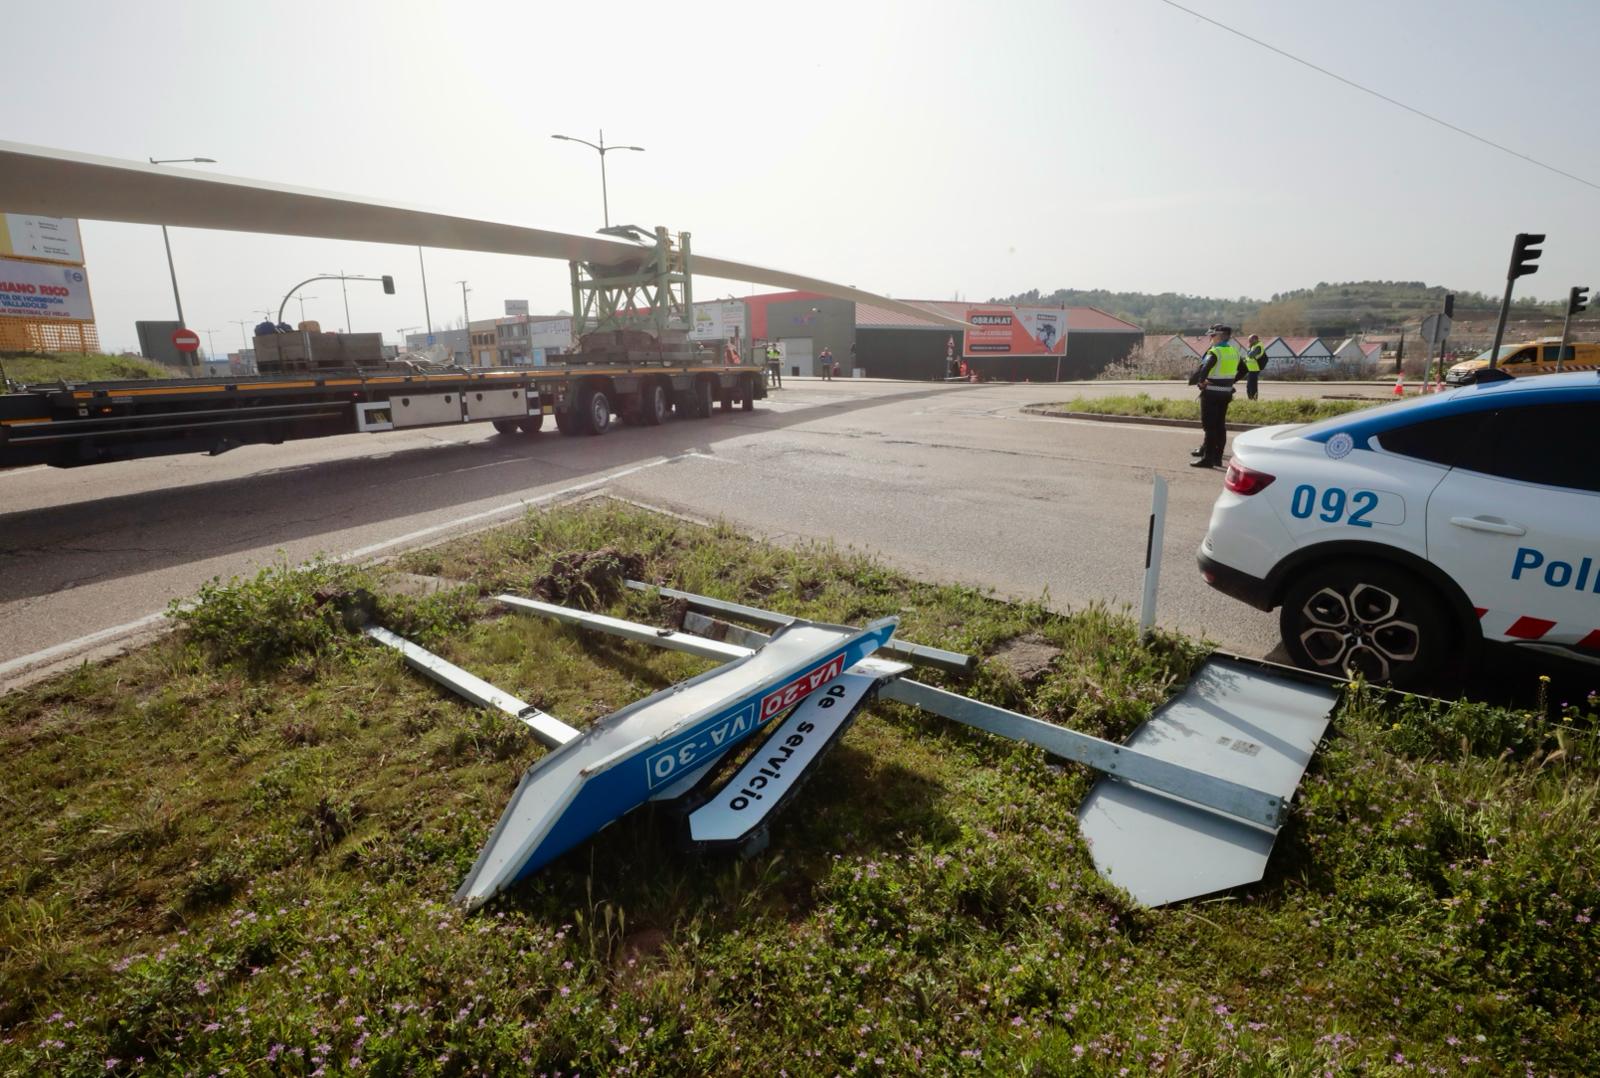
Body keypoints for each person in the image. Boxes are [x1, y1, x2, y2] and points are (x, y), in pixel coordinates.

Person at [1188, 324, 1241, 467]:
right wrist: (1230, 382)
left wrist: (1200, 382)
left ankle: (1208, 459)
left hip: (1211, 393)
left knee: (1209, 427)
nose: (1210, 339)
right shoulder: (1234, 351)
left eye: (1212, 336)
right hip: (1226, 394)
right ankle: (1217, 458)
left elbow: (1205, 367)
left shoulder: (1215, 351)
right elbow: (1244, 368)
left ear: (1218, 336)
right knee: (1220, 426)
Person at [1244, 333, 1268, 400]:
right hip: (1250, 369)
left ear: (1255, 339)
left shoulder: (1258, 346)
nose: (1249, 342)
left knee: (1253, 386)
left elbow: (1251, 355)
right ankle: (1250, 399)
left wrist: (1249, 349)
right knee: (1249, 386)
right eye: (1249, 340)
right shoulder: (1253, 346)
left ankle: (1254, 400)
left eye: (1250, 340)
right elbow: (1248, 357)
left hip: (1255, 369)